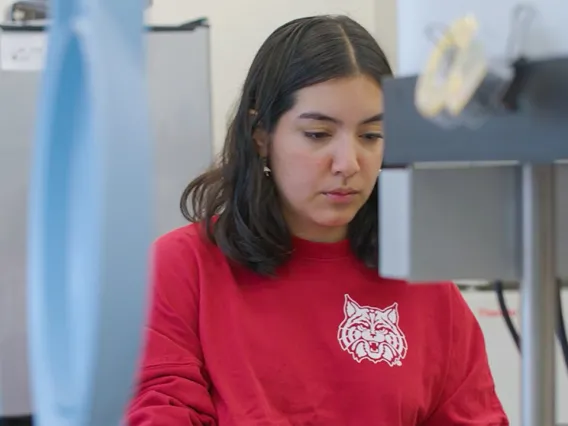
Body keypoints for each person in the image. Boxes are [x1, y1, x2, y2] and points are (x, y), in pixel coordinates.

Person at [127, 14, 508, 426]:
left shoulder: (425, 285)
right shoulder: (184, 270)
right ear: (261, 136)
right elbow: (158, 411)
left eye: (370, 136)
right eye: (318, 134)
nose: (348, 163)